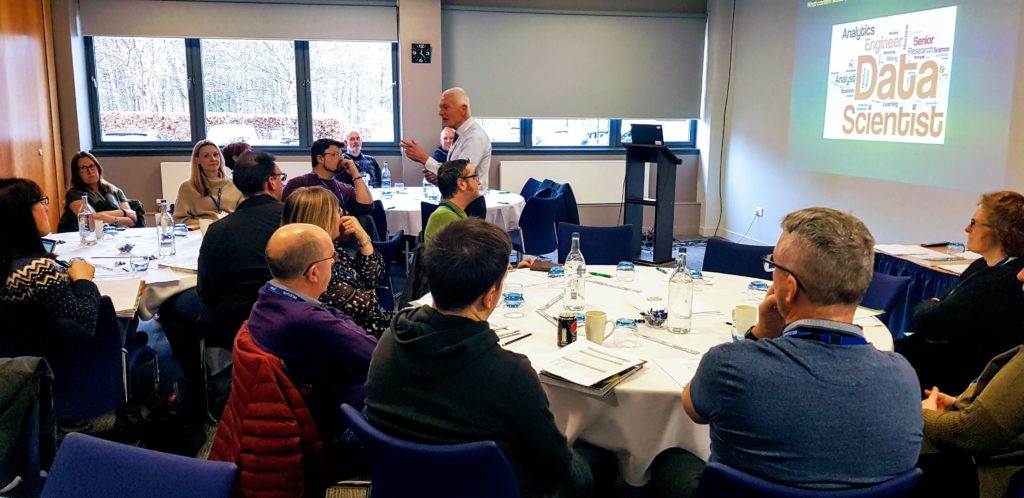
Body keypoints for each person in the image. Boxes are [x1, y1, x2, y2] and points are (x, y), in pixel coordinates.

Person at [651, 207, 922, 496]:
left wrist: (759, 335)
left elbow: (691, 406)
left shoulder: (730, 366)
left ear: (789, 289)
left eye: (774, 266)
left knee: (669, 461)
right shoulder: (903, 379)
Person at [365, 218, 601, 498]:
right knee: (597, 458)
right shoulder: (510, 373)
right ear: (489, 297)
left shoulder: (391, 339)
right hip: (494, 488)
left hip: (402, 482)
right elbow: (555, 467)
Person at [160, 151, 285, 416]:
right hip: (287, 312)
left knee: (169, 309)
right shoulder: (292, 219)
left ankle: (197, 384)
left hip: (235, 318)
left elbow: (207, 290)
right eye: (280, 177)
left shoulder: (219, 230)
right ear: (271, 182)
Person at [248, 223, 378, 465]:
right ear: (314, 273)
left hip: (317, 410)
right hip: (343, 424)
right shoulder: (309, 322)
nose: (335, 262)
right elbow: (376, 354)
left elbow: (341, 321)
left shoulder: (268, 297)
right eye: (332, 257)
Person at [915, 262, 1024, 498]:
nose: (1020, 274)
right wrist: (958, 404)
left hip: (989, 480)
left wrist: (923, 414)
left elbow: (969, 434)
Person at [898, 191, 1024, 394]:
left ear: (1000, 232)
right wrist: (937, 306)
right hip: (932, 359)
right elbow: (939, 309)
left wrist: (935, 305)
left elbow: (931, 319)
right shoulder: (982, 264)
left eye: (974, 223)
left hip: (946, 379)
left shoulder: (1005, 280)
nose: (967, 229)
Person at [0, 178, 99, 350]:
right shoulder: (38, 271)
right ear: (22, 213)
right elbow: (83, 326)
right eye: (40, 201)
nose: (46, 207)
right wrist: (83, 281)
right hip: (61, 363)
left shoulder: (9, 264)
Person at [282, 186, 393, 337]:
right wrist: (370, 291)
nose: (343, 216)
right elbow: (369, 306)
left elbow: (374, 275)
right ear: (322, 218)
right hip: (366, 341)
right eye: (338, 211)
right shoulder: (316, 267)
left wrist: (363, 238)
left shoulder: (330, 248)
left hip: (372, 329)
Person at [400, 87, 489, 217]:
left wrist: (424, 158)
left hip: (469, 206)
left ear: (463, 109)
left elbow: (458, 176)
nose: (440, 113)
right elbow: (454, 175)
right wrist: (438, 179)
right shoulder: (461, 135)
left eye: (445, 107)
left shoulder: (474, 138)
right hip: (459, 203)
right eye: (440, 107)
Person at [283, 138, 375, 241]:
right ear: (320, 158)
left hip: (346, 245)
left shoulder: (343, 188)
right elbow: (288, 220)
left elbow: (367, 207)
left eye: (341, 154)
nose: (341, 159)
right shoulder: (299, 184)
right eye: (335, 155)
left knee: (366, 218)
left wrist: (355, 173)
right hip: (313, 243)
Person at [57, 151, 137, 232]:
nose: (90, 171)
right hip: (88, 237)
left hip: (118, 235)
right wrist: (123, 212)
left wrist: (105, 217)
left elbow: (132, 219)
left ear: (98, 168)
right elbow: (90, 218)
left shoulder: (115, 191)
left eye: (92, 166)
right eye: (83, 168)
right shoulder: (74, 194)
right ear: (77, 173)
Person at [173, 140, 244, 228]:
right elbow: (178, 220)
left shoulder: (236, 184)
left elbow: (244, 214)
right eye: (206, 156)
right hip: (200, 232)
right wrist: (207, 223)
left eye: (215, 155)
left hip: (230, 230)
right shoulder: (188, 187)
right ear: (197, 160)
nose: (213, 159)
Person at [423, 159, 480, 243]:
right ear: (461, 184)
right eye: (474, 177)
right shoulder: (445, 216)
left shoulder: (455, 212)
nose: (479, 182)